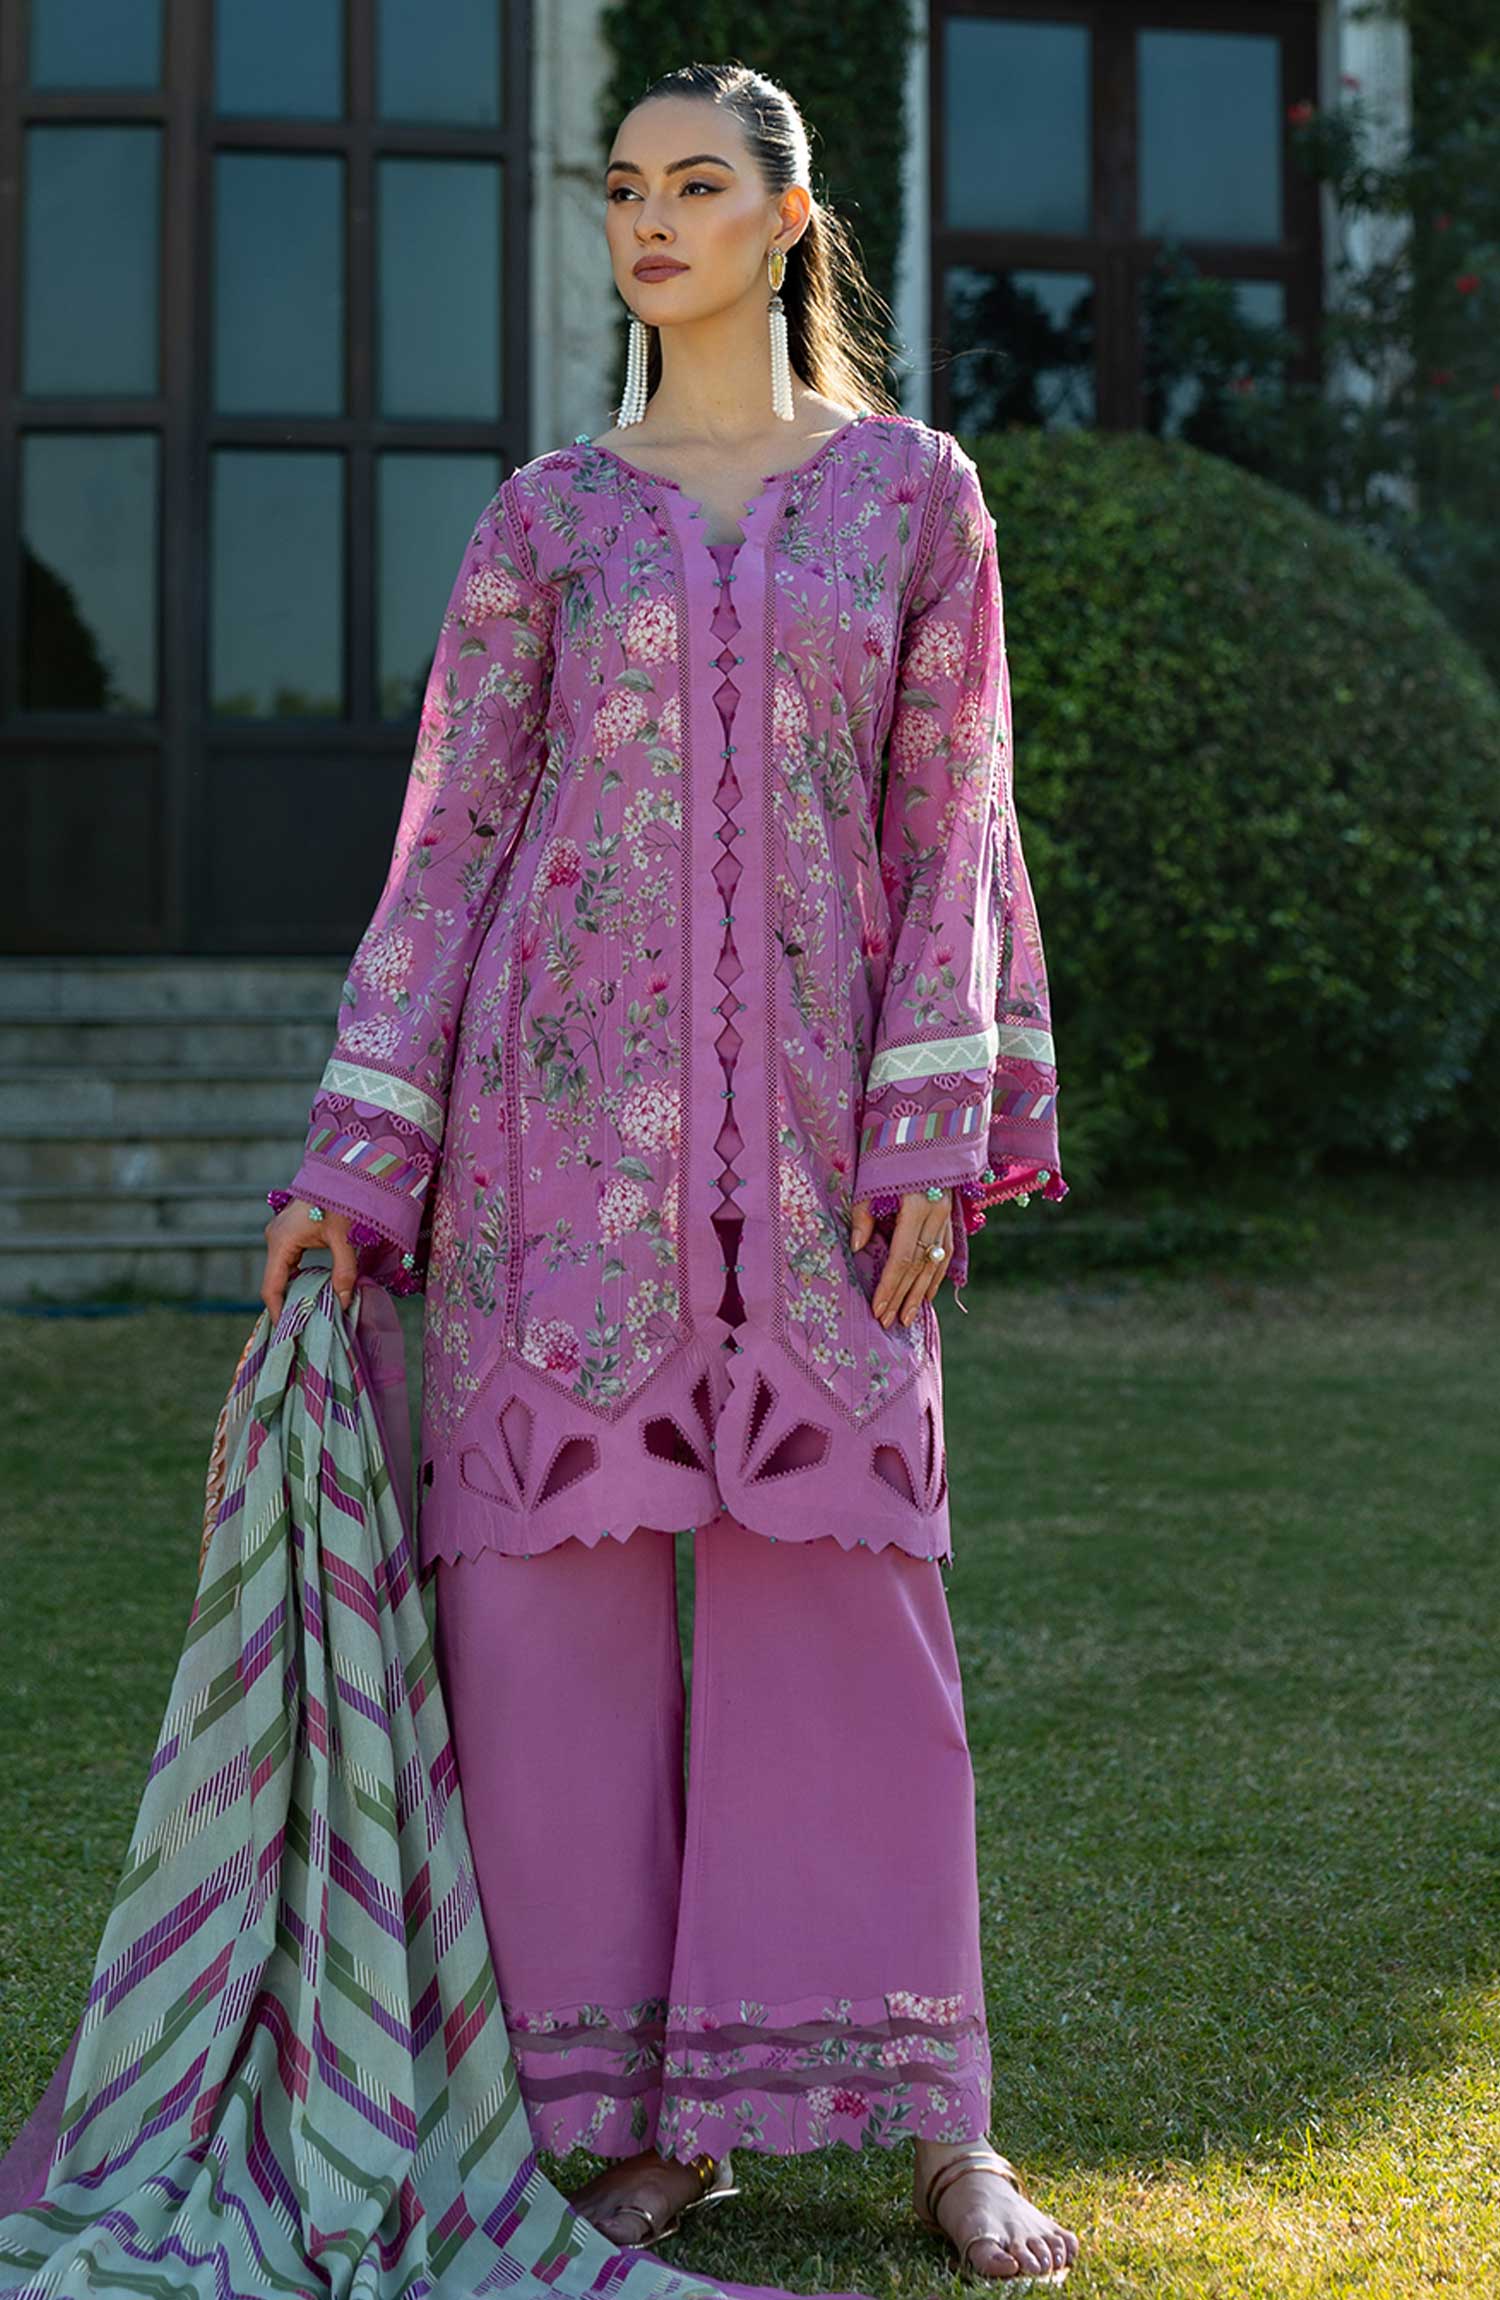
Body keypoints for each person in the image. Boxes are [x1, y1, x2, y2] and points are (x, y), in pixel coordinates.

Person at [261, 57, 1078, 2288]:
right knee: (548, 1634)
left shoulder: (914, 498)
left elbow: (955, 820)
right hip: (555, 1157)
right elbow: (451, 845)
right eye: (624, 184)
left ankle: (936, 2122)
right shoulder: (547, 520)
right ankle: (623, 2129)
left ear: (786, 223)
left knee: (856, 1615)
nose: (649, 218)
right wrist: (360, 1151)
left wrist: (934, 1126)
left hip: (825, 1148)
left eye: (697, 185)